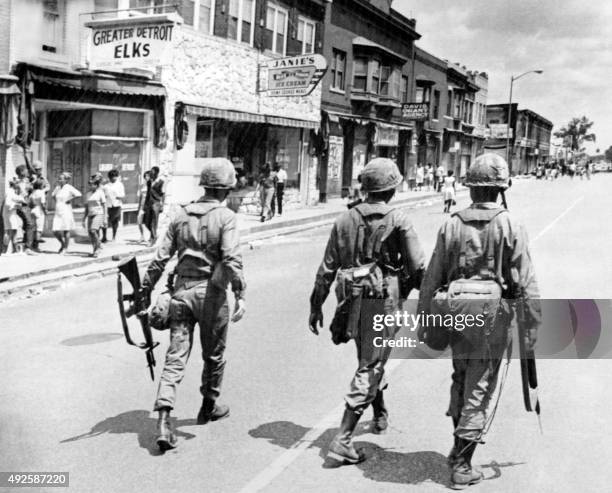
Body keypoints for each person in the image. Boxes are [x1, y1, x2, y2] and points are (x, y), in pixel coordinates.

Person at [417, 153, 541, 490]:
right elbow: (525, 279)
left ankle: (458, 446)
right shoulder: (510, 224)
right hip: (491, 319)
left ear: (470, 187)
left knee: (460, 377)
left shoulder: (451, 223)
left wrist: (424, 320)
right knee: (480, 385)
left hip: (456, 313)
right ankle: (462, 465)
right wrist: (532, 322)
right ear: (501, 188)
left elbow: (432, 277)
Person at [309, 158, 426, 466]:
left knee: (369, 357)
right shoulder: (400, 219)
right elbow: (417, 267)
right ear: (392, 189)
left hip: (351, 298)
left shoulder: (344, 219)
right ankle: (343, 439)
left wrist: (315, 306)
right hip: (382, 297)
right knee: (371, 365)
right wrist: (417, 291)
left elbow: (326, 270)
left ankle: (380, 413)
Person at [141, 158, 246, 451]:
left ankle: (163, 418)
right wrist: (240, 292)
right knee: (213, 355)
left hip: (181, 294)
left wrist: (145, 290)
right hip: (211, 295)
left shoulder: (180, 214)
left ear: (205, 186)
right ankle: (208, 405)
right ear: (226, 189)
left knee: (175, 357)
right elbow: (231, 259)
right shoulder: (226, 217)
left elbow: (160, 259)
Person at [52, 172, 82, 254]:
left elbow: (79, 194)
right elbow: (53, 195)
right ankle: (62, 244)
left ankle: (65, 248)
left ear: (66, 180)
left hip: (66, 210)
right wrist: (58, 202)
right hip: (58, 210)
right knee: (55, 230)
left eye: (61, 178)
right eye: (59, 178)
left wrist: (70, 199)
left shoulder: (69, 187)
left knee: (66, 229)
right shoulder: (57, 187)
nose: (59, 180)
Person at [82, 174, 107, 258]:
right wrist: (83, 218)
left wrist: (105, 218)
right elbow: (86, 207)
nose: (91, 186)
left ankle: (99, 245)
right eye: (90, 184)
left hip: (99, 214)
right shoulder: (88, 194)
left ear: (96, 185)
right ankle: (95, 250)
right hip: (90, 214)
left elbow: (104, 205)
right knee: (91, 233)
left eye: (93, 184)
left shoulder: (100, 193)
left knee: (93, 230)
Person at [14, 164, 37, 254]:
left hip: (25, 205)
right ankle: (28, 247)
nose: (27, 172)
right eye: (26, 170)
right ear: (22, 172)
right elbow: (23, 193)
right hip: (23, 205)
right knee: (30, 224)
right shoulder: (20, 182)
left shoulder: (24, 181)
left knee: (27, 225)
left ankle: (25, 245)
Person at [3, 179, 27, 253]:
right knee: (10, 231)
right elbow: (8, 204)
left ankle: (12, 250)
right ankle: (7, 250)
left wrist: (20, 200)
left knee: (11, 231)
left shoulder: (10, 191)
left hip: (9, 213)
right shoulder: (10, 192)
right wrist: (16, 205)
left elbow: (18, 198)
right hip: (9, 213)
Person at [102, 169, 126, 243]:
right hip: (107, 205)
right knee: (105, 221)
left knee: (115, 221)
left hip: (116, 205)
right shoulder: (106, 186)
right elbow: (103, 196)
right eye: (112, 177)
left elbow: (123, 195)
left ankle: (114, 236)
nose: (113, 178)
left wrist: (118, 196)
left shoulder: (120, 185)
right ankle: (104, 237)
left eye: (115, 176)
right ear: (109, 177)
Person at [144, 166, 165, 246]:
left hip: (156, 203)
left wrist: (162, 204)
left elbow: (163, 194)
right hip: (149, 202)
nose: (151, 174)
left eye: (152, 173)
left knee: (154, 222)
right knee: (147, 222)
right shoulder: (149, 182)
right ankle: (154, 235)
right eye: (150, 173)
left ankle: (152, 239)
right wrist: (146, 204)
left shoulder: (161, 181)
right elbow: (147, 193)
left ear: (156, 173)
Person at [30, 178, 47, 250]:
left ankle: (32, 245)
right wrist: (45, 210)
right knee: (39, 229)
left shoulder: (33, 193)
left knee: (34, 229)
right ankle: (36, 247)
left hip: (33, 210)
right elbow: (43, 204)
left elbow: (30, 203)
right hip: (39, 210)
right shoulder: (41, 192)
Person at [137, 171, 150, 243]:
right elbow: (140, 197)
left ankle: (152, 237)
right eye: (145, 176)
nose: (146, 177)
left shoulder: (152, 185)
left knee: (148, 223)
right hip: (142, 206)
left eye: (148, 176)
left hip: (148, 206)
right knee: (139, 221)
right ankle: (142, 236)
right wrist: (139, 207)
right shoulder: (142, 185)